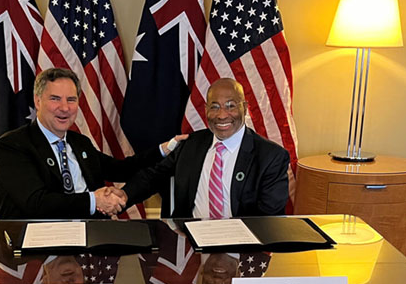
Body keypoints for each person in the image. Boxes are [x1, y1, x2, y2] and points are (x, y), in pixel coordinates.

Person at [0, 68, 185, 219]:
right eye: (55, 99)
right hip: (38, 248)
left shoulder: (79, 142)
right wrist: (95, 201)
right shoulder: (13, 146)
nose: (64, 108)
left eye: (71, 100)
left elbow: (122, 169)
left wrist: (165, 148)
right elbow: (36, 203)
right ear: (37, 101)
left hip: (91, 239)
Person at [116, 78, 290, 218]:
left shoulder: (271, 157)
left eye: (231, 106)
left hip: (243, 249)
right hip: (191, 246)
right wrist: (123, 196)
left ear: (244, 108)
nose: (222, 115)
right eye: (214, 107)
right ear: (206, 110)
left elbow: (269, 217)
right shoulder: (190, 144)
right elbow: (153, 176)